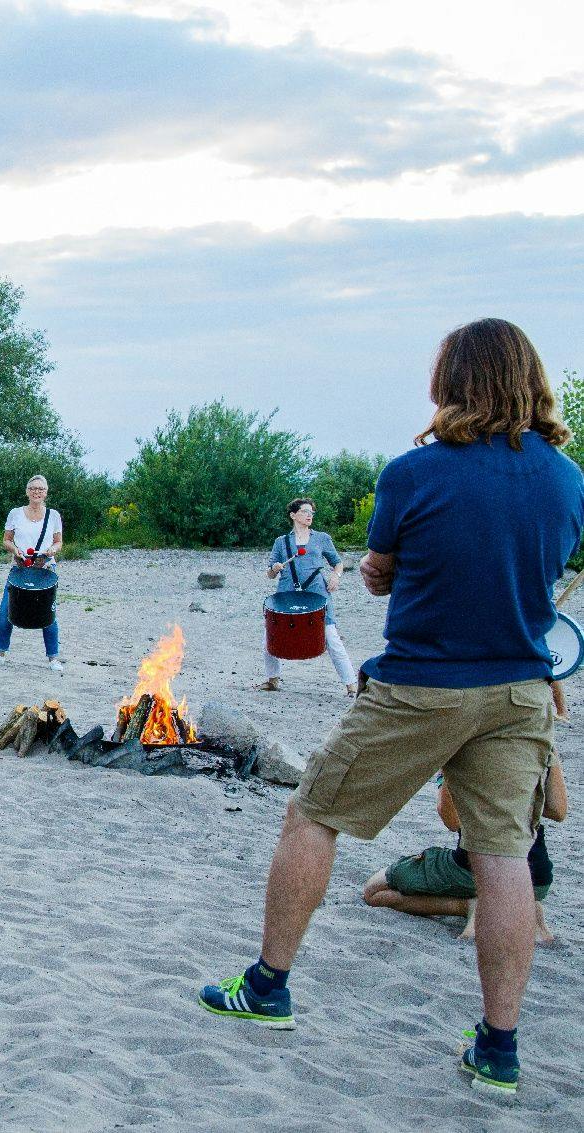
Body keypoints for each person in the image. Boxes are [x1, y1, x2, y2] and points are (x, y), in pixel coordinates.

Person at [197, 318, 584, 1098]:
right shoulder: (567, 478)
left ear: (454, 383)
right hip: (517, 688)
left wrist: (380, 573)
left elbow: (383, 567)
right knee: (503, 857)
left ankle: (269, 986)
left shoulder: (414, 473)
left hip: (423, 682)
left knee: (313, 813)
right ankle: (499, 1045)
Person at [364, 760, 566, 945]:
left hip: (478, 870)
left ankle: (470, 906)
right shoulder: (541, 740)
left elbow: (452, 821)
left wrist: (448, 765)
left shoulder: (472, 740)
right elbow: (557, 810)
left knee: (374, 891)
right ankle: (528, 908)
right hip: (536, 879)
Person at [257, 498, 355, 696]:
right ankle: (272, 679)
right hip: (287, 594)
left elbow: (338, 563)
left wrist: (335, 577)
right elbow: (269, 573)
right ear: (293, 515)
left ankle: (351, 685)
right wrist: (274, 569)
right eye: (304, 511)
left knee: (331, 637)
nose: (309, 515)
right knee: (270, 635)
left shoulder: (322, 538)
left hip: (317, 592)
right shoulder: (281, 542)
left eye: (311, 512)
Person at [0, 475, 65, 671]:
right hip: (20, 567)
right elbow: (6, 540)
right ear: (27, 491)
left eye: (40, 489)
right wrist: (15, 550)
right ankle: (0, 652)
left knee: (48, 612)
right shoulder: (15, 513)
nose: (36, 492)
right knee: (6, 609)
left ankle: (53, 658)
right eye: (33, 489)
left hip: (45, 568)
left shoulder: (53, 515)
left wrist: (52, 551)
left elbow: (58, 542)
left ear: (46, 492)